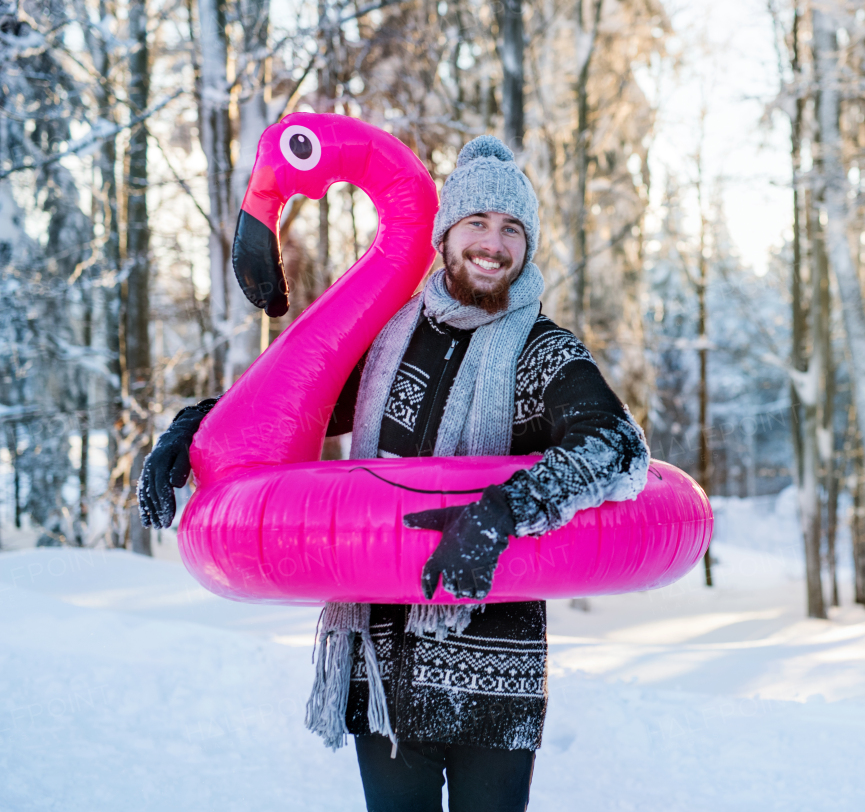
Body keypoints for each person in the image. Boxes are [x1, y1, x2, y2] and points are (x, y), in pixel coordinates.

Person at [138, 135, 649, 812]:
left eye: (510, 229)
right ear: (445, 233)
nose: (492, 244)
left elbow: (613, 443)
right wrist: (192, 432)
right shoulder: (391, 338)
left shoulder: (540, 351)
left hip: (492, 676)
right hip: (382, 667)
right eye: (477, 223)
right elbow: (291, 399)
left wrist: (502, 511)